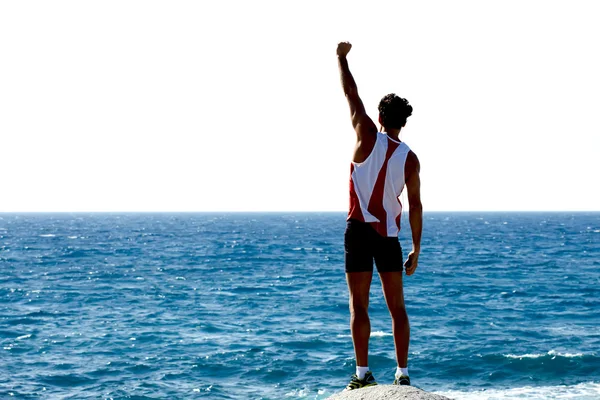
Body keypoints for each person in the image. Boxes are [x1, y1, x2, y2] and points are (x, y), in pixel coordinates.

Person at [336, 41, 423, 390]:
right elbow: (415, 205)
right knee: (397, 308)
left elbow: (350, 92)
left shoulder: (366, 133)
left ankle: (362, 374)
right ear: (403, 122)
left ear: (381, 117)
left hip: (357, 230)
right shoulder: (411, 158)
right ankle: (402, 374)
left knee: (359, 306)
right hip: (389, 237)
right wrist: (417, 247)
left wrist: (341, 58)